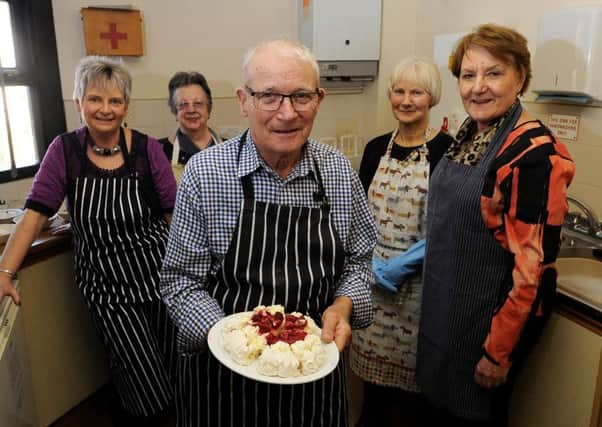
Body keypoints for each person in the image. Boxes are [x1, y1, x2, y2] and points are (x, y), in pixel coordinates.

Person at [160, 39, 376, 427]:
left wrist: (342, 308)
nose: (287, 113)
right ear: (244, 100)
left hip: (313, 373)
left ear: (319, 99)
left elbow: (359, 263)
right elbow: (180, 281)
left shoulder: (339, 173)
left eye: (301, 96)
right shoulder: (206, 174)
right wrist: (239, 342)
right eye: (270, 97)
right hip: (223, 382)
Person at [0, 56, 178, 426]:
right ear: (78, 102)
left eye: (115, 101)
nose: (105, 109)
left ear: (126, 106)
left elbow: (173, 216)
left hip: (159, 281)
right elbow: (34, 214)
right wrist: (4, 271)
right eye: (95, 99)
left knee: (175, 366)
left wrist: (192, 271)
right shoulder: (64, 152)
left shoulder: (147, 151)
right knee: (142, 379)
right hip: (107, 290)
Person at [416, 24, 576, 426]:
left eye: (494, 73)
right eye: (468, 76)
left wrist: (497, 352)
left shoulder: (535, 154)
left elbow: (531, 271)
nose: (478, 87)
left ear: (520, 77)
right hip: (445, 314)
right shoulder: (471, 132)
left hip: (485, 327)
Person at [349, 57, 453, 427]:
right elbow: (359, 215)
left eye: (416, 92)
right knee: (372, 401)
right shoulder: (377, 148)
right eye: (399, 91)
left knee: (413, 403)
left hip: (422, 292)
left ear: (432, 98)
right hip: (373, 290)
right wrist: (370, 264)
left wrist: (405, 263)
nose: (406, 100)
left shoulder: (447, 151)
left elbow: (449, 227)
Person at [159, 71, 221, 181]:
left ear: (209, 109)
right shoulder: (158, 152)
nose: (191, 110)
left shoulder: (233, 150)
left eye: (198, 103)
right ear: (174, 111)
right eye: (183, 104)